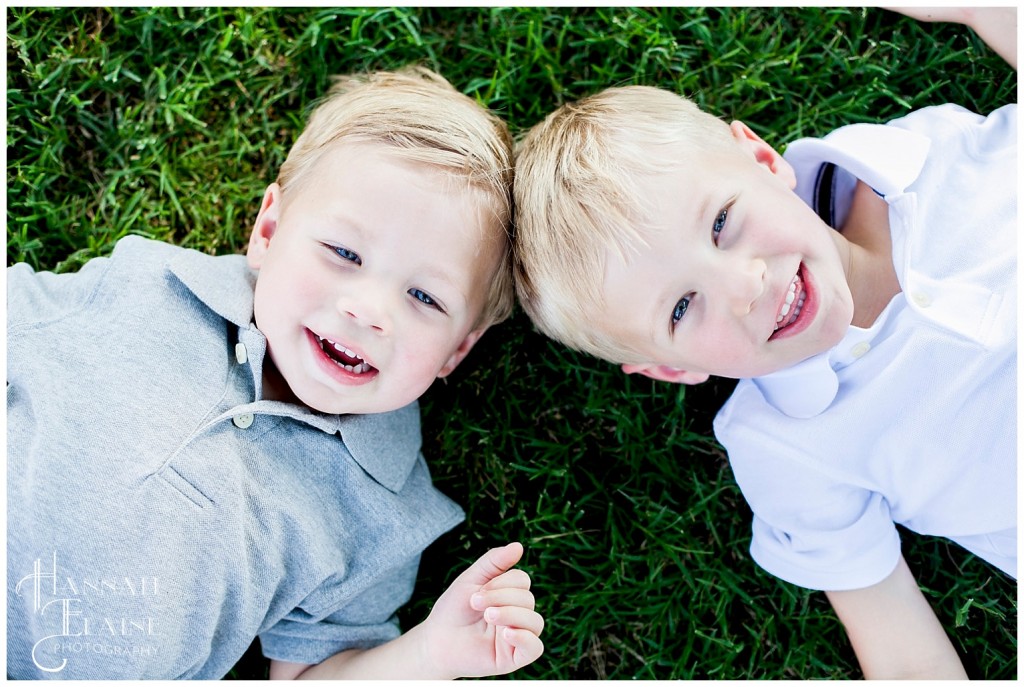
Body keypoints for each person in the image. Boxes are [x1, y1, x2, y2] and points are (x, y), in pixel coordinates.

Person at [511, 8, 1014, 680]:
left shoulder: (918, 156)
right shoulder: (784, 448)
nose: (746, 284)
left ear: (761, 159)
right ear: (669, 367)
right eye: (685, 306)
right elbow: (897, 639)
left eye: (722, 223)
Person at [7, 67, 543, 679]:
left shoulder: (381, 511)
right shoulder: (147, 289)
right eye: (345, 254)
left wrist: (428, 655)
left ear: (456, 352)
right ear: (268, 230)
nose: (368, 311)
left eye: (425, 298)